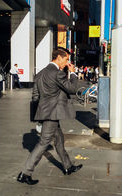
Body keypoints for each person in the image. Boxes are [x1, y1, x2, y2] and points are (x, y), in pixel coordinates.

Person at [17, 47, 84, 185]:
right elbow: (72, 89)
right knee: (43, 143)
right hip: (52, 113)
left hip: (45, 112)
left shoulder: (40, 73)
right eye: (66, 60)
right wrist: (73, 74)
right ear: (58, 57)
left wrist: (39, 115)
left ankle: (68, 166)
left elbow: (35, 96)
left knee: (59, 139)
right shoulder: (57, 73)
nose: (67, 63)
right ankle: (25, 173)